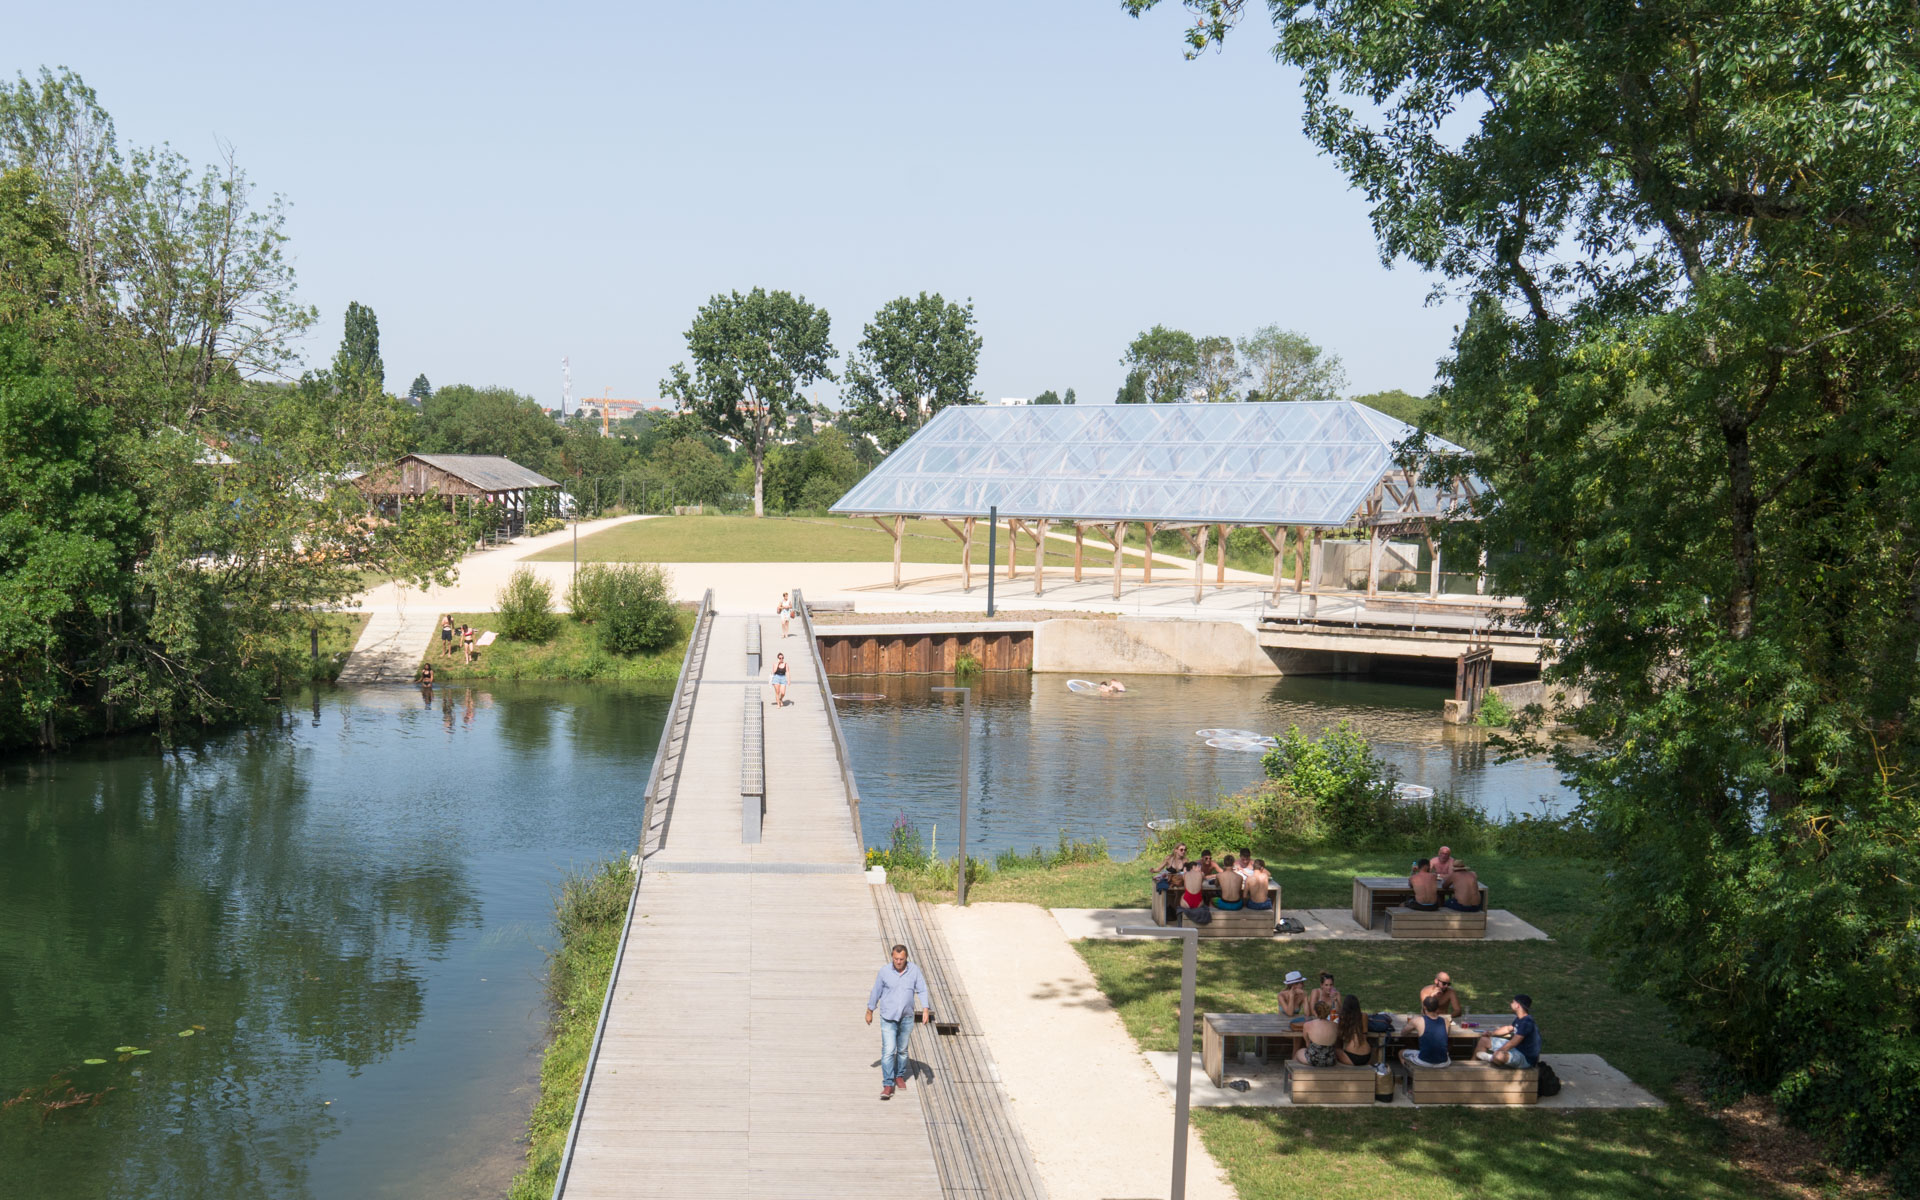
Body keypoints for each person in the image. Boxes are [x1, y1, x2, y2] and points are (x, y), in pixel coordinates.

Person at [865, 943, 929, 1100]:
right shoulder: (885, 972)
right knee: (888, 1050)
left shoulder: (914, 971)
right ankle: (888, 1084)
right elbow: (876, 991)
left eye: (901, 959)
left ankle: (899, 1075)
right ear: (892, 957)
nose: (898, 962)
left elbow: (922, 989)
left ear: (906, 958)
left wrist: (925, 1009)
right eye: (895, 959)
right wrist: (870, 1010)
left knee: (902, 1050)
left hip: (906, 1017)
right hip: (888, 1017)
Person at [1475, 994, 1541, 1069]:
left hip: (1525, 1058)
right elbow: (1508, 1029)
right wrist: (1491, 1033)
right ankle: (1472, 1067)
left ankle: (1492, 1058)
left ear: (1518, 1006)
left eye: (1513, 1002)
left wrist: (1499, 1051)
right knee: (1484, 1040)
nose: (1510, 1004)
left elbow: (1514, 1042)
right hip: (1516, 1049)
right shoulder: (1520, 1019)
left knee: (1499, 1056)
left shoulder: (1527, 1022)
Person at [1399, 993, 1452, 1070]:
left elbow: (1403, 1033)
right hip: (1443, 1062)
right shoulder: (1446, 1021)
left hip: (1425, 1062)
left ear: (1424, 1007)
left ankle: (1408, 1075)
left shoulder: (1417, 1021)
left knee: (1400, 1052)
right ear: (1437, 1008)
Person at [1292, 999, 1341, 1067]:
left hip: (1314, 1060)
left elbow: (1307, 1044)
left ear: (1315, 1012)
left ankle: (1291, 1075)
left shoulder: (1308, 1024)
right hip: (1330, 1060)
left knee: (1298, 1052)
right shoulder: (1335, 1024)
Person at [1335, 993, 1373, 1066]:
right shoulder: (1364, 1016)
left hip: (1351, 1056)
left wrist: (1337, 1001)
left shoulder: (1344, 1018)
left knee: (1335, 1050)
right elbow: (1364, 1034)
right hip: (1367, 1055)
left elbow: (1341, 1036)